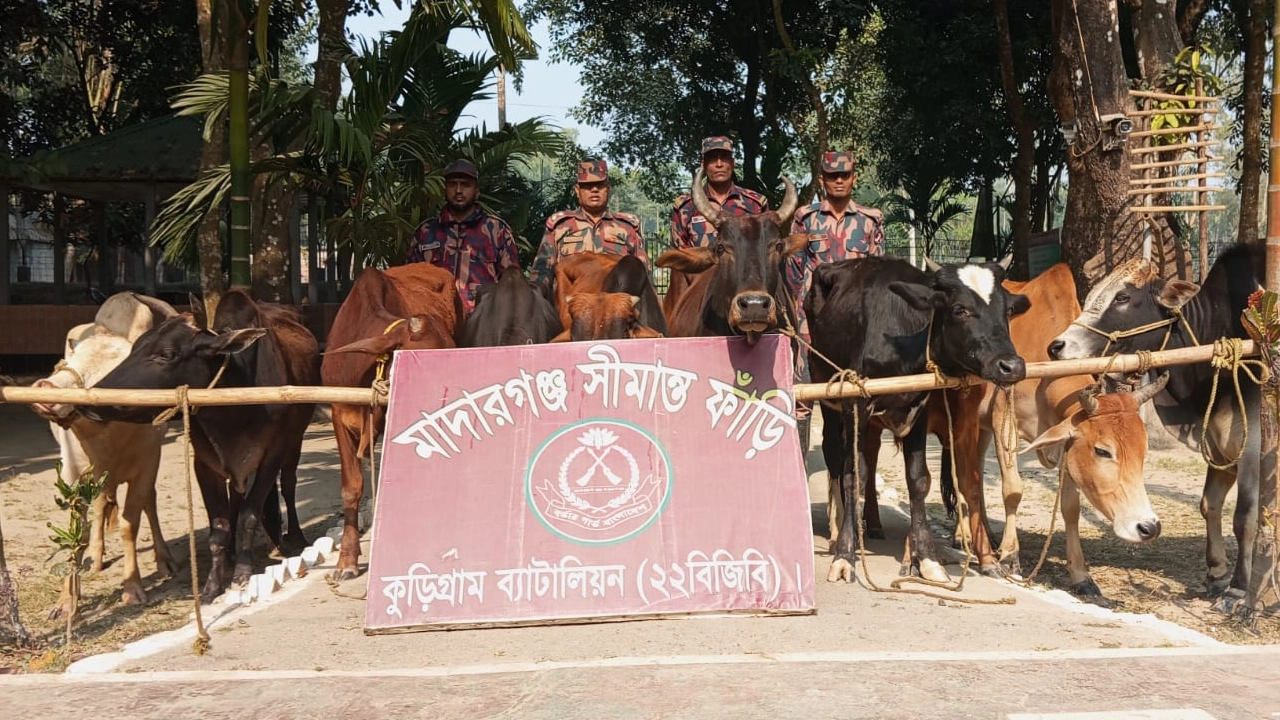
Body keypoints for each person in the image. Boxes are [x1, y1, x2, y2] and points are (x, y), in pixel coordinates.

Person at [784, 150, 885, 383]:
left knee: (858, 380)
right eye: (832, 176)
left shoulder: (870, 220)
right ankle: (802, 420)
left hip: (856, 314)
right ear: (822, 180)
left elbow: (877, 271)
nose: (839, 180)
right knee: (804, 379)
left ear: (854, 178)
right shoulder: (805, 218)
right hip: (812, 315)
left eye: (844, 175)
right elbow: (794, 271)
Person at [405, 158, 520, 312]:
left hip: (482, 323)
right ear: (445, 189)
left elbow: (512, 286)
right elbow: (409, 282)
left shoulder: (497, 230)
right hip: (435, 321)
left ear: (477, 191)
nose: (458, 190)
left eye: (466, 185)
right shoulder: (426, 232)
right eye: (452, 184)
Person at [530, 159, 649, 298]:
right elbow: (542, 273)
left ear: (608, 188)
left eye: (600, 185)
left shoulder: (627, 228)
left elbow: (644, 275)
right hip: (568, 312)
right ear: (577, 190)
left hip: (616, 312)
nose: (594, 190)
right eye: (588, 186)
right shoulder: (560, 227)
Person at [669, 136, 769, 250]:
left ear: (732, 163)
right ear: (703, 165)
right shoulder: (685, 206)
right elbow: (679, 256)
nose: (719, 164)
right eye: (712, 159)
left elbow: (767, 249)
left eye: (725, 158)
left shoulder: (756, 203)